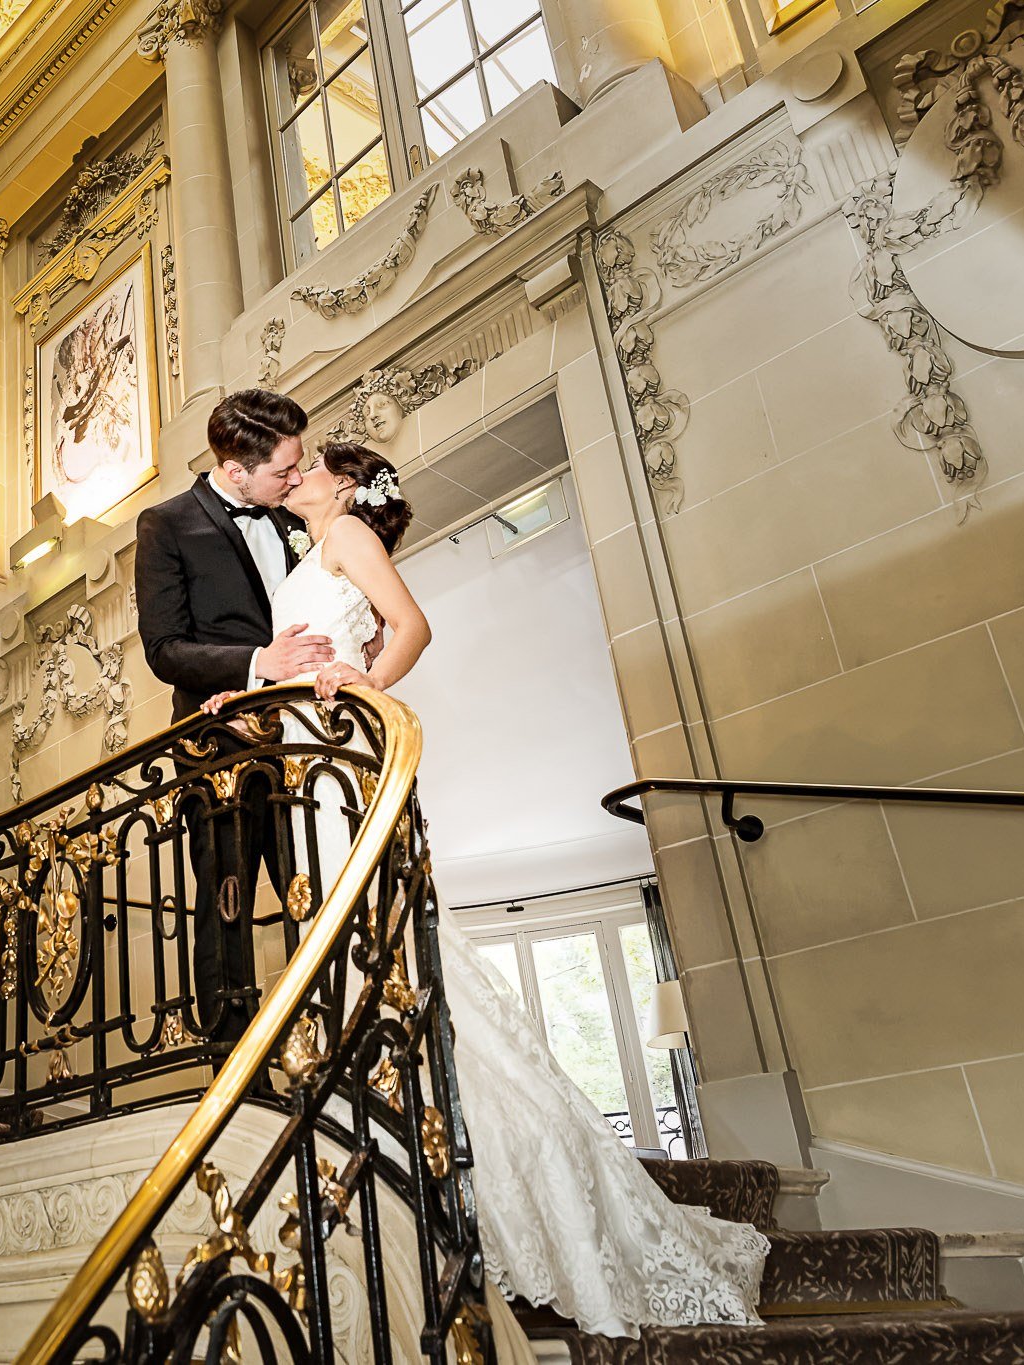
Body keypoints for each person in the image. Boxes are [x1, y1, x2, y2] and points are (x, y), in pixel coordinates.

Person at [204, 440, 769, 1338]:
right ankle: (386, 1123)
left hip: (341, 754)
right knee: (352, 941)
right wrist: (238, 698)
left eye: (311, 466)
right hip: (305, 760)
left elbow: (411, 626)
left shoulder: (347, 533)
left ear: (345, 486)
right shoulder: (311, 553)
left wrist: (366, 685)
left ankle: (449, 1142)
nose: (296, 475)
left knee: (373, 934)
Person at [134, 389, 334, 1044]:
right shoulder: (166, 525)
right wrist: (259, 662)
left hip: (302, 744)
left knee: (318, 894)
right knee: (226, 902)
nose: (298, 479)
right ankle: (230, 1057)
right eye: (284, 469)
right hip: (217, 745)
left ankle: (334, 1036)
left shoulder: (289, 519)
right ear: (236, 468)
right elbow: (165, 650)